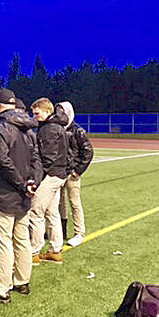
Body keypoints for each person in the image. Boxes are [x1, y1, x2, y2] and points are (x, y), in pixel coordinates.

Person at [0, 88, 42, 303]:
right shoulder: (28, 129)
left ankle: (1, 288)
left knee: (3, 241)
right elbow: (37, 160)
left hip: (5, 192)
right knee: (21, 238)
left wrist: (23, 184)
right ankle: (22, 280)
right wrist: (32, 182)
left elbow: (1, 161)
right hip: (22, 193)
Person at [28, 97, 68, 265]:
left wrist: (37, 178)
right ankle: (55, 250)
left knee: (35, 212)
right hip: (59, 174)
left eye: (36, 113)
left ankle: (34, 252)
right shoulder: (57, 126)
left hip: (51, 175)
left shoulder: (49, 129)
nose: (34, 116)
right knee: (52, 213)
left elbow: (47, 157)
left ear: (47, 111)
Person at [57, 101, 94, 247]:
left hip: (72, 173)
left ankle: (79, 233)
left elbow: (88, 151)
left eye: (62, 112)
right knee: (60, 204)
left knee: (74, 203)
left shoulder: (78, 131)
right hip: (59, 171)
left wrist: (78, 171)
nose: (60, 115)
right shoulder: (58, 129)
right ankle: (61, 230)